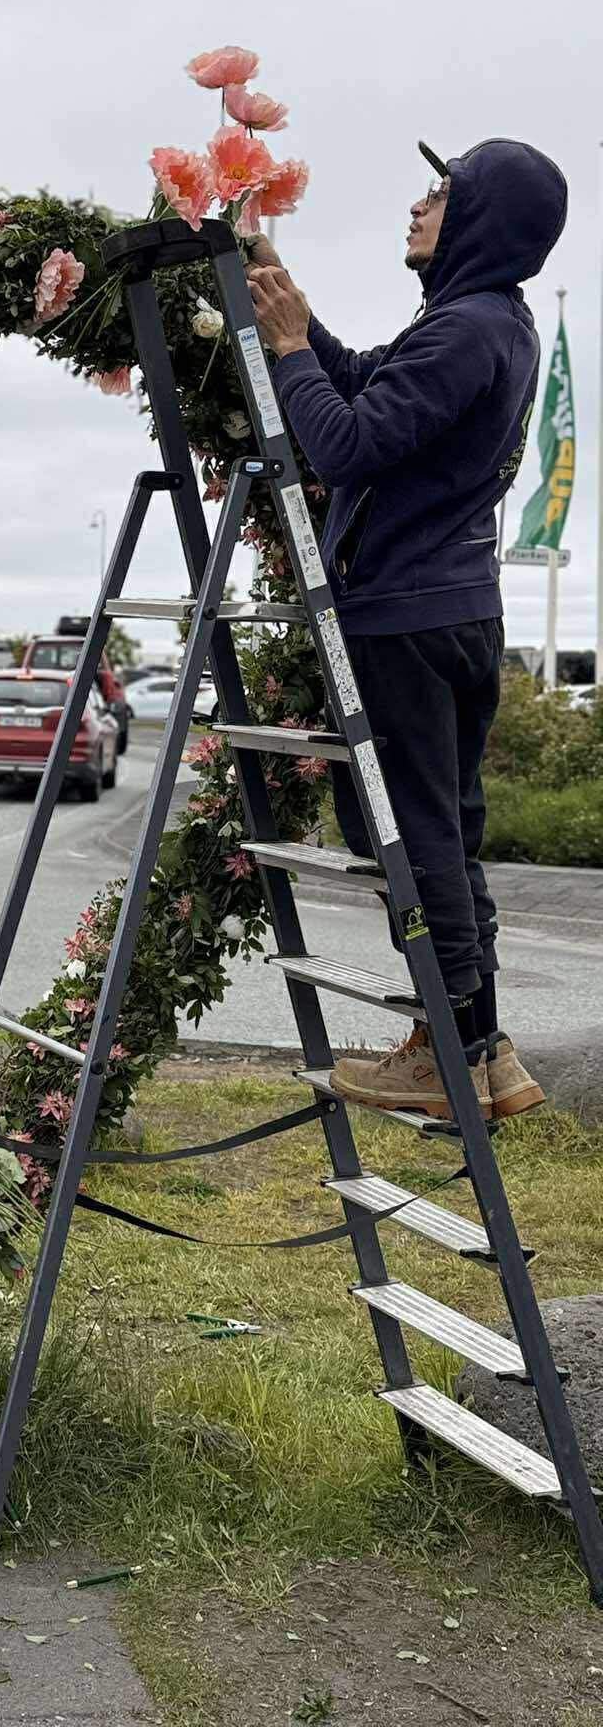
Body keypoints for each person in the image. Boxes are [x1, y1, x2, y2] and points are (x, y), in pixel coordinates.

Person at [245, 138, 567, 1121]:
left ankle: (449, 1051)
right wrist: (296, 313)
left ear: (483, 219)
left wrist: (288, 352)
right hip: (456, 609)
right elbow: (361, 383)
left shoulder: (464, 330)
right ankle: (480, 1047)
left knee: (411, 838)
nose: (417, 207)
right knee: (448, 834)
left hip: (406, 619)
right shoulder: (485, 323)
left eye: (440, 193)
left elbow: (343, 444)